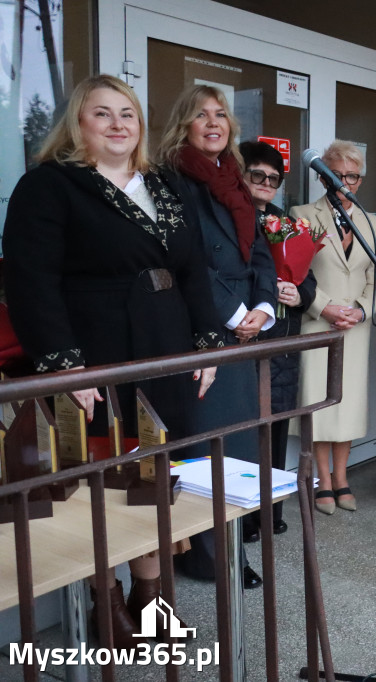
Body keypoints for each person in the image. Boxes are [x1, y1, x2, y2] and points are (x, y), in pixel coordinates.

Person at [2, 74, 222, 648]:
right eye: (102, 113)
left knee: (153, 475)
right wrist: (65, 365)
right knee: (101, 482)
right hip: (95, 353)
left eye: (128, 113)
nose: (118, 124)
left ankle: (151, 597)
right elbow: (31, 281)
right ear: (78, 123)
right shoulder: (50, 185)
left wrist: (208, 344)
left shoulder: (165, 184)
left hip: (165, 346)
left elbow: (194, 270)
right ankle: (108, 604)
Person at [157, 84, 277, 589]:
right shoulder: (169, 179)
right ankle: (207, 556)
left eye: (221, 114)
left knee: (239, 442)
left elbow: (260, 253)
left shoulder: (234, 179)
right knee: (207, 445)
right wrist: (234, 312)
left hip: (244, 328)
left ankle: (228, 546)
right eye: (201, 114)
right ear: (183, 124)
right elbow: (183, 260)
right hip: (204, 324)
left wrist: (265, 307)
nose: (213, 123)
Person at [290, 140, 376, 515]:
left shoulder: (370, 221)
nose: (345, 182)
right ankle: (322, 480)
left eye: (352, 176)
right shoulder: (302, 214)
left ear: (360, 180)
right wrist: (324, 307)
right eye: (337, 175)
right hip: (317, 323)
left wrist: (360, 311)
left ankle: (342, 478)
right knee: (319, 404)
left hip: (354, 328)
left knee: (347, 405)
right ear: (322, 177)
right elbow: (295, 273)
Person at [240, 140, 316, 537]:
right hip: (244, 339)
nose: (266, 183)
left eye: (274, 178)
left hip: (282, 345)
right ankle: (244, 518)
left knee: (276, 429)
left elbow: (308, 278)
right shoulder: (230, 218)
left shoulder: (285, 222)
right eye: (258, 174)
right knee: (245, 434)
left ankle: (271, 510)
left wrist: (298, 294)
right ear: (241, 175)